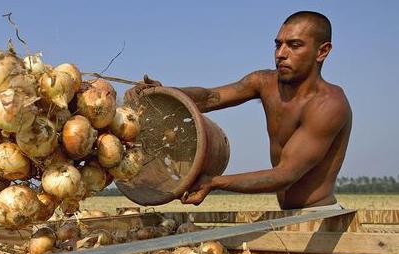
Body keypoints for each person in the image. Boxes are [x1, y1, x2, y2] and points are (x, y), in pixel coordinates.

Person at [125, 11, 352, 210]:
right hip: (287, 214)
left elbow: (286, 175)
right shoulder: (264, 82)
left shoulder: (329, 104)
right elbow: (211, 98)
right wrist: (164, 93)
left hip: (319, 215)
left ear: (322, 52)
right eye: (278, 44)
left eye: (294, 45)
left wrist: (214, 182)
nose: (281, 53)